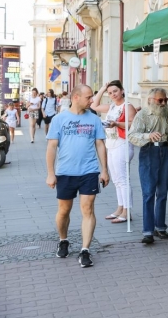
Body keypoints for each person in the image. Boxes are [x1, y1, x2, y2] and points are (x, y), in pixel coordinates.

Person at [45, 84, 109, 268]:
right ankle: (63, 239)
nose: (92, 100)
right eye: (88, 97)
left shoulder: (94, 119)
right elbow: (51, 147)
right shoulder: (59, 119)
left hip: (89, 171)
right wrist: (51, 173)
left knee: (87, 209)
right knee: (64, 210)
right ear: (76, 97)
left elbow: (100, 145)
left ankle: (85, 250)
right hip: (65, 172)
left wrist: (104, 170)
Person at [128, 88, 168, 244]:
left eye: (165, 100)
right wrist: (148, 136)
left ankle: (160, 227)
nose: (164, 103)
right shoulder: (142, 115)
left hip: (167, 151)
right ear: (150, 100)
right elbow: (131, 135)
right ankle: (148, 231)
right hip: (149, 152)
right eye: (160, 100)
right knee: (148, 192)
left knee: (163, 192)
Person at [91, 81, 137, 224]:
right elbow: (93, 105)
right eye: (110, 93)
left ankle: (127, 211)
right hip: (111, 144)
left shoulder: (127, 106)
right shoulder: (111, 106)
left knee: (123, 180)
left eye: (115, 91)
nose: (113, 95)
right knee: (117, 180)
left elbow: (132, 124)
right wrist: (103, 88)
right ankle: (120, 208)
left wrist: (116, 123)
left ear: (122, 91)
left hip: (122, 144)